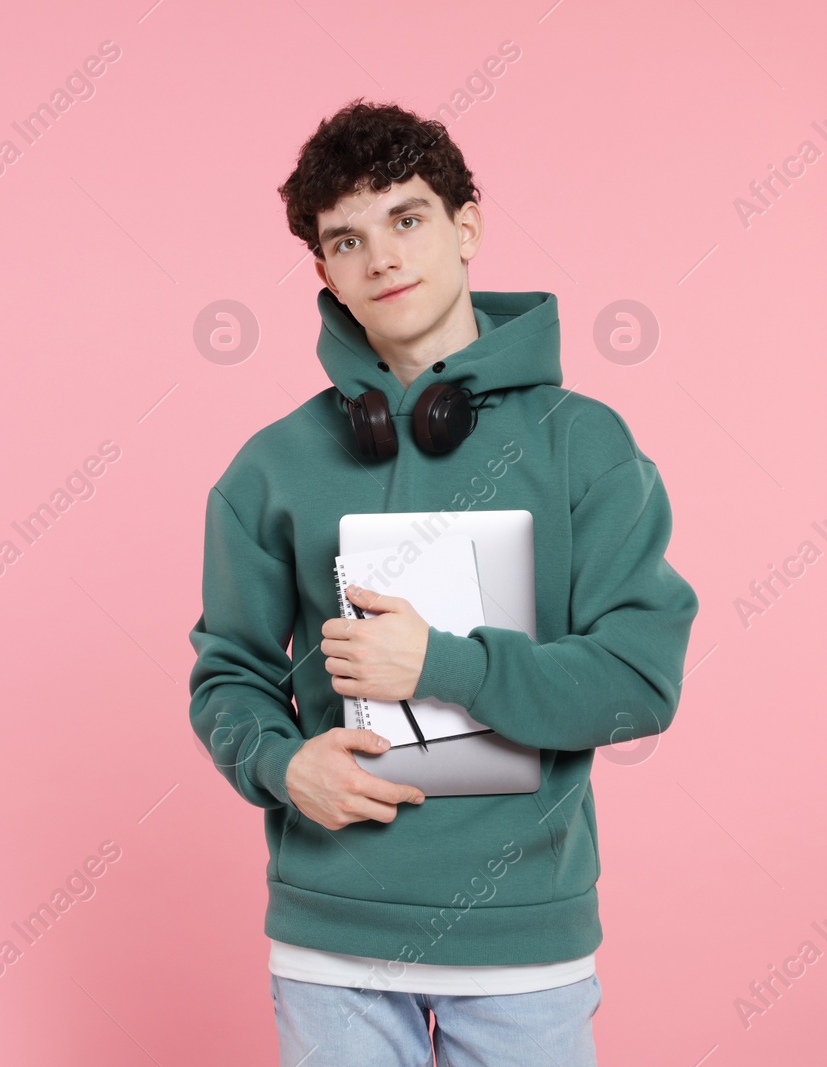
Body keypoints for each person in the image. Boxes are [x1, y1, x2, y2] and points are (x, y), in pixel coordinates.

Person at [186, 99, 699, 1066]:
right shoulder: (271, 467)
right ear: (326, 271)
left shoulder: (585, 445)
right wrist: (282, 767)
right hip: (331, 940)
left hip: (524, 945)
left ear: (467, 227)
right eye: (348, 239)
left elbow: (639, 683)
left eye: (407, 219)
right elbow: (228, 674)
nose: (381, 257)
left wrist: (445, 664)